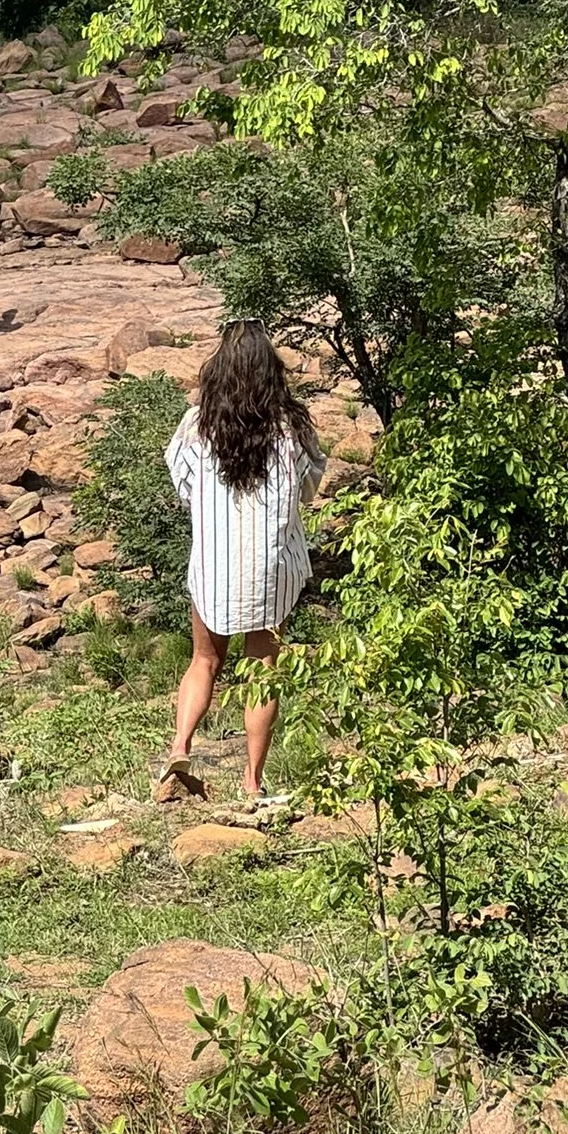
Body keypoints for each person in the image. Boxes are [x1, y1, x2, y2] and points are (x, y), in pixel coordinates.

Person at [155, 318, 323, 804]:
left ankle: (180, 748)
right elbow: (309, 487)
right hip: (272, 565)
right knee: (262, 668)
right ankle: (251, 781)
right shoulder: (291, 426)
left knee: (204, 659)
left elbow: (182, 482)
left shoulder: (198, 424)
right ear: (270, 370)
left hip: (214, 561)